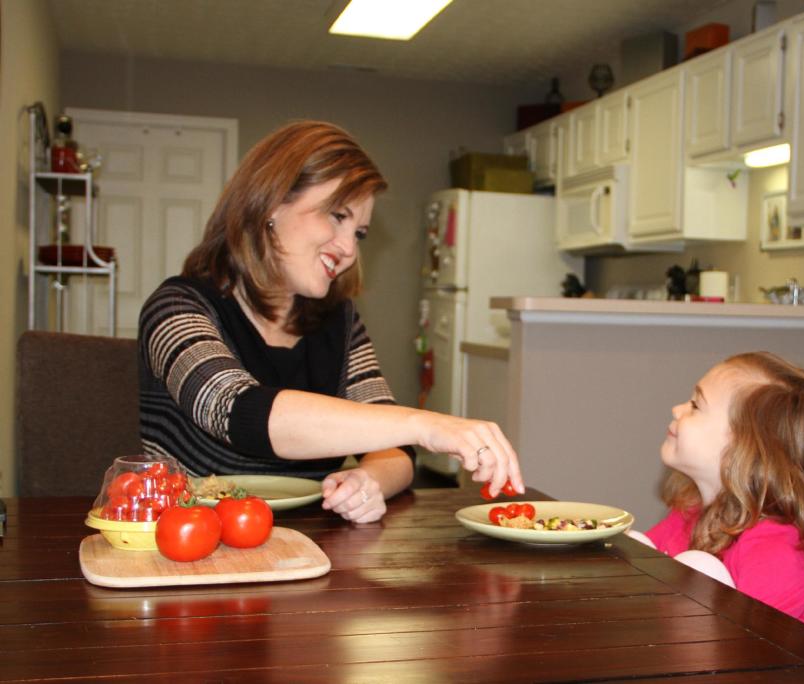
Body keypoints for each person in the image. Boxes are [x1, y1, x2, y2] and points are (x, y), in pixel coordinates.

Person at [139, 120, 523, 523]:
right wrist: (427, 425)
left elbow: (393, 450)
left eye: (359, 233)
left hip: (308, 552)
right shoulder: (175, 308)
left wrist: (370, 480)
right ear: (271, 203)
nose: (348, 250)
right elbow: (236, 411)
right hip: (190, 547)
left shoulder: (338, 323)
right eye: (336, 216)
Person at [640, 351, 804, 635]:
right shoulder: (690, 512)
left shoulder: (782, 552)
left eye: (695, 405)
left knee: (697, 570)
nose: (678, 409)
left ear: (743, 447)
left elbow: (745, 648)